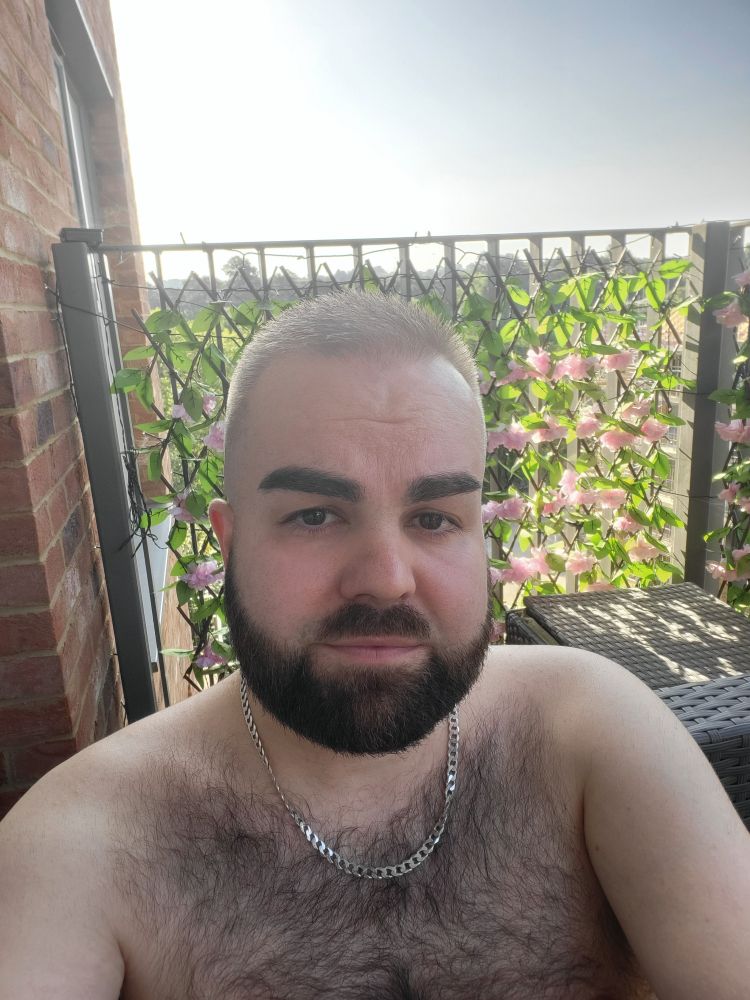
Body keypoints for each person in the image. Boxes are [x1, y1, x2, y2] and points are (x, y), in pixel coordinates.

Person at [1, 291, 748, 1000]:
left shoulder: (590, 728)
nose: (388, 580)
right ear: (230, 542)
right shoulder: (82, 844)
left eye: (435, 518)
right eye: (315, 516)